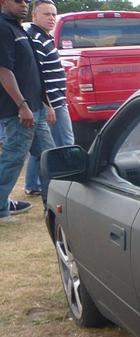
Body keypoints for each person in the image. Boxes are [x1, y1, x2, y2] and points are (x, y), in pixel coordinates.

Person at [0, 0, 54, 223]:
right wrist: (22, 105)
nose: (24, 4)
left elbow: (33, 71)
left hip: (35, 108)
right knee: (14, 158)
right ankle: (0, 209)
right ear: (3, 2)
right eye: (18, 1)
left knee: (48, 156)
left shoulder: (18, 27)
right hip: (18, 111)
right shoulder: (3, 27)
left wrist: (45, 103)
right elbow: (3, 70)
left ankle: (53, 205)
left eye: (26, 1)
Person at [24, 0, 71, 197]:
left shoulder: (43, 36)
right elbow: (37, 75)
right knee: (65, 143)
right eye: (46, 14)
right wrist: (48, 104)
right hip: (52, 103)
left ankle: (33, 185)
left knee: (42, 147)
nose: (51, 18)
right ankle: (68, 182)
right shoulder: (36, 39)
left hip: (54, 101)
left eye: (53, 14)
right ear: (34, 16)